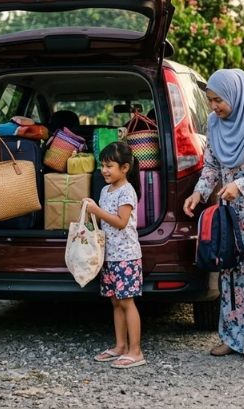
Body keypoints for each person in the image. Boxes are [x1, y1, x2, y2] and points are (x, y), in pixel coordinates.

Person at [183, 68, 244, 362]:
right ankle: (233, 337)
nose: (214, 107)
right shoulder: (213, 124)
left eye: (219, 100)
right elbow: (211, 167)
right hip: (231, 214)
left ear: (235, 95)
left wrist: (240, 185)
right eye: (211, 100)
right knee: (229, 273)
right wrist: (199, 193)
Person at [83, 141, 146, 370]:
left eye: (110, 165)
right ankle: (120, 346)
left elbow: (120, 222)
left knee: (127, 302)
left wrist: (97, 211)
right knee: (116, 302)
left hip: (126, 256)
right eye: (103, 165)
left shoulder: (126, 191)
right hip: (109, 256)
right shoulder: (104, 190)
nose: (105, 170)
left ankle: (135, 351)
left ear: (125, 168)